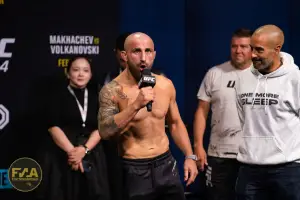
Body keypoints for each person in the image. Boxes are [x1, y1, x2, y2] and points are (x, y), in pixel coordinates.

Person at [98, 32, 198, 200]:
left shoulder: (165, 85)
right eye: (137, 51)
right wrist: (135, 105)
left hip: (166, 165)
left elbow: (175, 123)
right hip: (134, 169)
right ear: (125, 55)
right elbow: (105, 131)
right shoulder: (112, 91)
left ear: (154, 54)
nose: (143, 57)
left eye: (148, 51)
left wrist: (189, 156)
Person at [235, 25, 300, 200]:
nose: (253, 55)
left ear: (277, 49)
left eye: (259, 50)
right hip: (248, 169)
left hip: (287, 170)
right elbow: (244, 119)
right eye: (252, 48)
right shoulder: (243, 78)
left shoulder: (295, 79)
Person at [37, 56, 110, 200]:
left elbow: (102, 127)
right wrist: (73, 154)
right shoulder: (56, 95)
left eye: (85, 70)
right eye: (76, 70)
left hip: (91, 153)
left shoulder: (99, 96)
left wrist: (84, 150)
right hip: (62, 154)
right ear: (68, 73)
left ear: (91, 74)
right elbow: (53, 127)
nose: (81, 74)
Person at [193, 28, 253, 200]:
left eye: (244, 46)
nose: (238, 50)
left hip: (251, 156)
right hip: (218, 154)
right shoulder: (215, 73)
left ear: (253, 49)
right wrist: (198, 146)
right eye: (234, 46)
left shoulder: (262, 76)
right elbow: (201, 111)